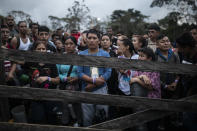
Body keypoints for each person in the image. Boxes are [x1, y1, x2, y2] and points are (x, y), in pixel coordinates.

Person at [77, 29, 111, 126]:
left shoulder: (105, 54)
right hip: (86, 89)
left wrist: (94, 84)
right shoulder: (82, 54)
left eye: (94, 38)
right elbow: (79, 72)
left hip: (101, 89)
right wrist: (93, 81)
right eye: (89, 38)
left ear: (99, 41)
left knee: (102, 117)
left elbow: (108, 72)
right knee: (87, 119)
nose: (92, 40)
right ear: (86, 40)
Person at [22, 41, 60, 124]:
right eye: (39, 49)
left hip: (49, 96)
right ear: (34, 50)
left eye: (43, 49)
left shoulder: (51, 64)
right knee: (38, 119)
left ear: (46, 50)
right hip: (35, 97)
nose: (41, 51)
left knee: (51, 118)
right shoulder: (30, 62)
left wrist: (47, 78)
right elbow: (17, 61)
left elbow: (57, 80)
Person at [56, 36, 82, 126]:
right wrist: (64, 78)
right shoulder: (60, 57)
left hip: (77, 85)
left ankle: (78, 122)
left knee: (77, 106)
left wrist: (77, 77)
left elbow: (83, 71)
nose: (68, 46)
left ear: (75, 45)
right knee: (64, 106)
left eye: (71, 44)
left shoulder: (80, 56)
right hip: (64, 85)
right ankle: (65, 124)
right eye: (66, 44)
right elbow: (56, 73)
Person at [176, 32, 197, 131]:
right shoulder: (185, 55)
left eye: (180, 47)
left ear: (187, 46)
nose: (178, 50)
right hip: (185, 93)